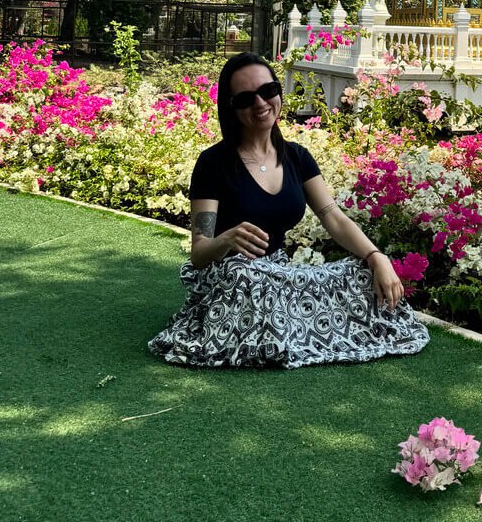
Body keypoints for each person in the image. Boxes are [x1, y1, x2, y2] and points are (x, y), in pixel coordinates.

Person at [149, 52, 429, 367]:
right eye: (245, 98)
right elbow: (199, 253)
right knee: (248, 277)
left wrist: (377, 258)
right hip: (232, 278)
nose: (260, 103)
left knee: (360, 271)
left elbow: (332, 218)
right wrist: (227, 239)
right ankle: (290, 330)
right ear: (231, 106)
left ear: (278, 93)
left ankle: (288, 330)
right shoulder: (213, 164)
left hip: (281, 277)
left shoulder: (296, 157)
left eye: (268, 91)